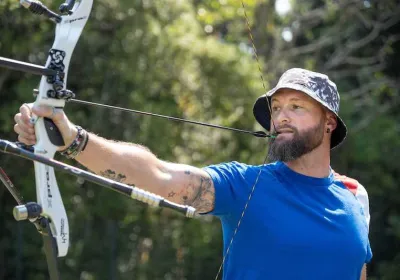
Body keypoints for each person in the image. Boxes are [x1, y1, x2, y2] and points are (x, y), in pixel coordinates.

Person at [14, 68, 372, 279]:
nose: (281, 117)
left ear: (329, 122)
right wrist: (75, 140)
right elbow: (160, 176)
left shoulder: (354, 195)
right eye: (277, 108)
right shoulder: (246, 185)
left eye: (296, 107)